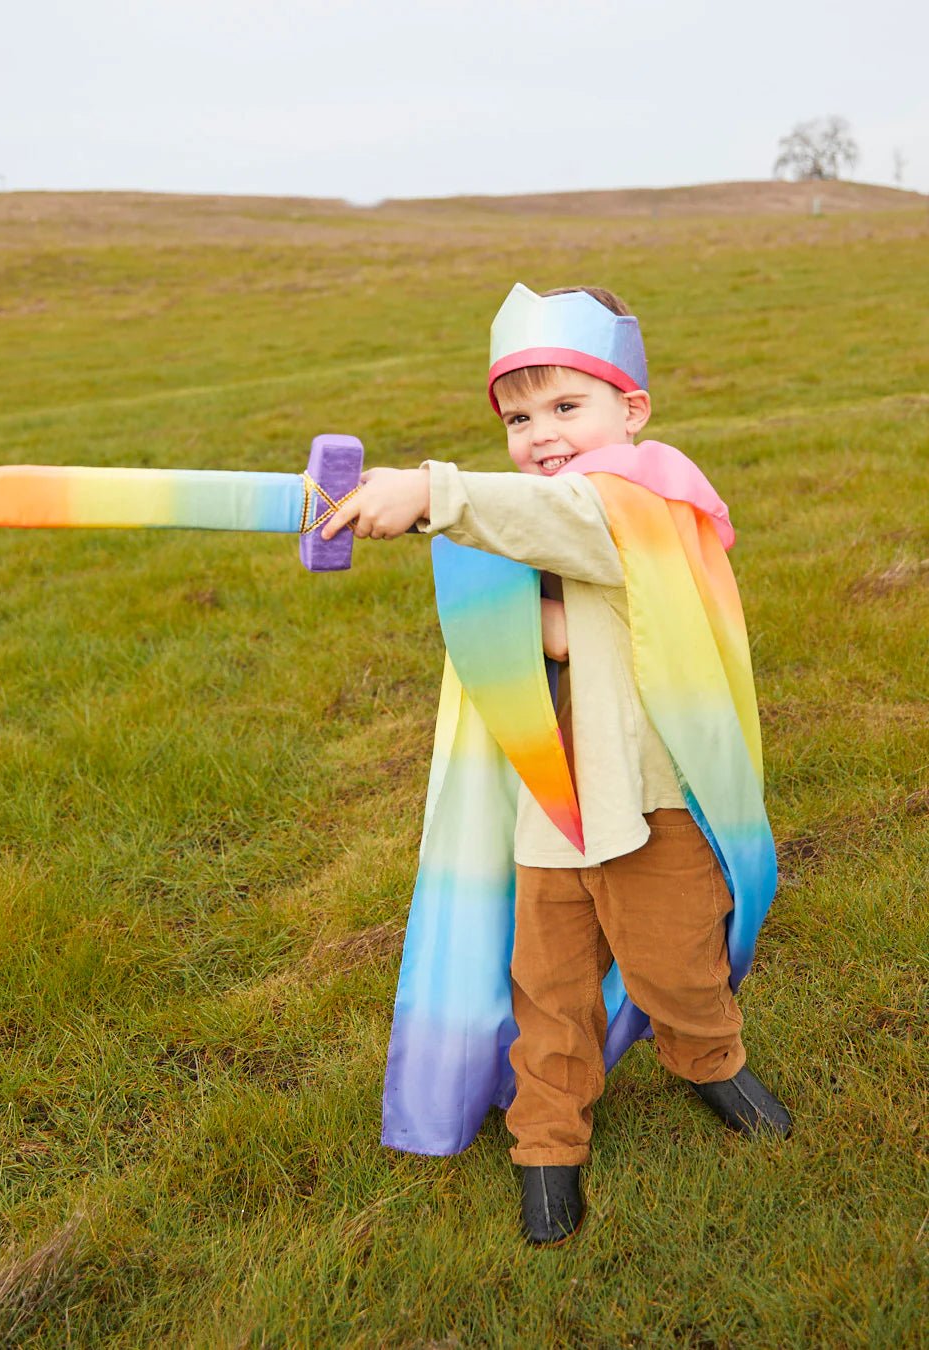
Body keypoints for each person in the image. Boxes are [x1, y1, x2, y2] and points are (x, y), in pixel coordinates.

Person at [322, 284, 791, 1246]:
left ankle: (710, 1061)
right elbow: (551, 623)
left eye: (567, 406)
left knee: (678, 964)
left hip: (653, 798)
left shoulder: (646, 493)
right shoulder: (535, 513)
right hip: (552, 801)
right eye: (518, 416)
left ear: (633, 410)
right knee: (548, 984)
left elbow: (576, 525)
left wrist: (432, 493)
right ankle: (546, 1143)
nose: (540, 434)